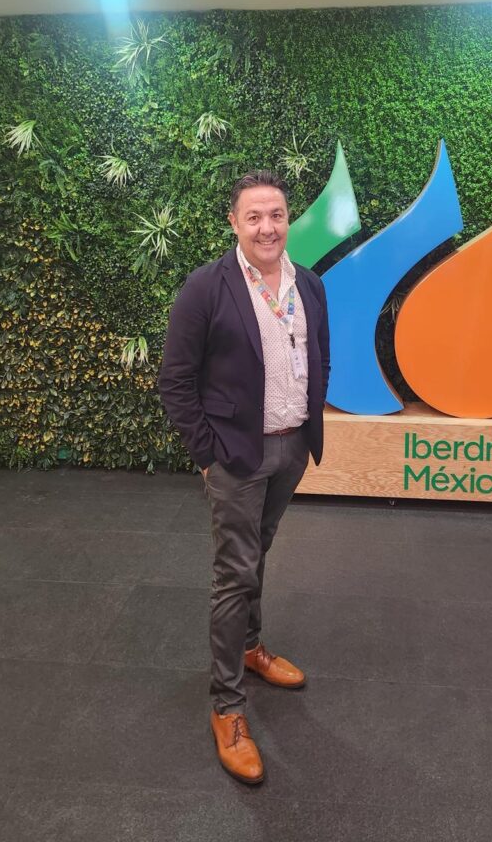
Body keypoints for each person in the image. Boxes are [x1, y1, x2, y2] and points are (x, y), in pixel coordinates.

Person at [159, 170, 330, 785]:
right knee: (234, 573)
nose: (267, 227)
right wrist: (209, 455)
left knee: (259, 553)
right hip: (236, 458)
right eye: (253, 216)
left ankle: (252, 648)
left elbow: (320, 356)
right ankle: (227, 707)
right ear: (233, 223)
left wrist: (308, 424)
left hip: (291, 449)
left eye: (276, 214)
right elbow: (176, 380)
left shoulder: (308, 284)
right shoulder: (206, 288)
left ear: (289, 220)